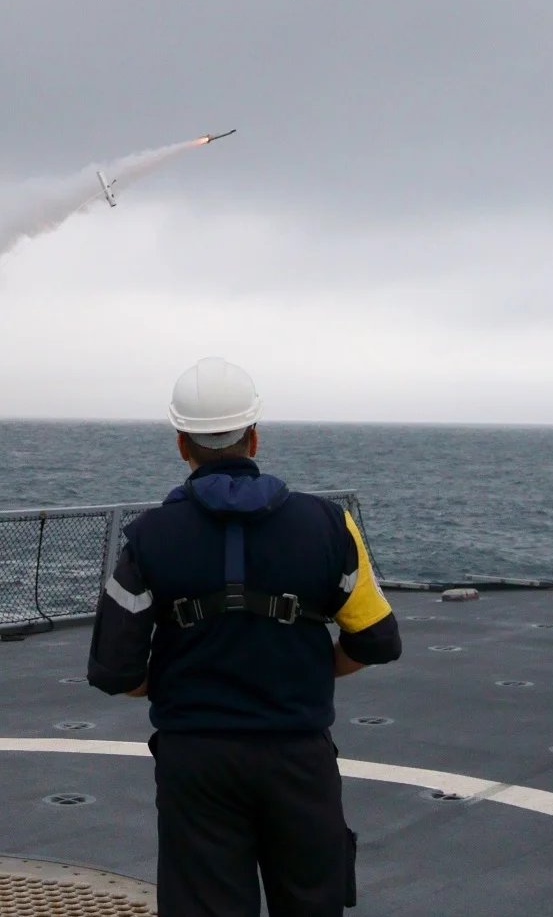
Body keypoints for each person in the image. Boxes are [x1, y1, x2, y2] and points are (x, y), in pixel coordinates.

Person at [87, 358, 402, 917]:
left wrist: (175, 684)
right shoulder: (330, 526)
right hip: (298, 758)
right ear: (254, 438)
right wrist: (320, 668)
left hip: (196, 762)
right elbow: (376, 639)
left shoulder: (148, 539)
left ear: (182, 443)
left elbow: (116, 672)